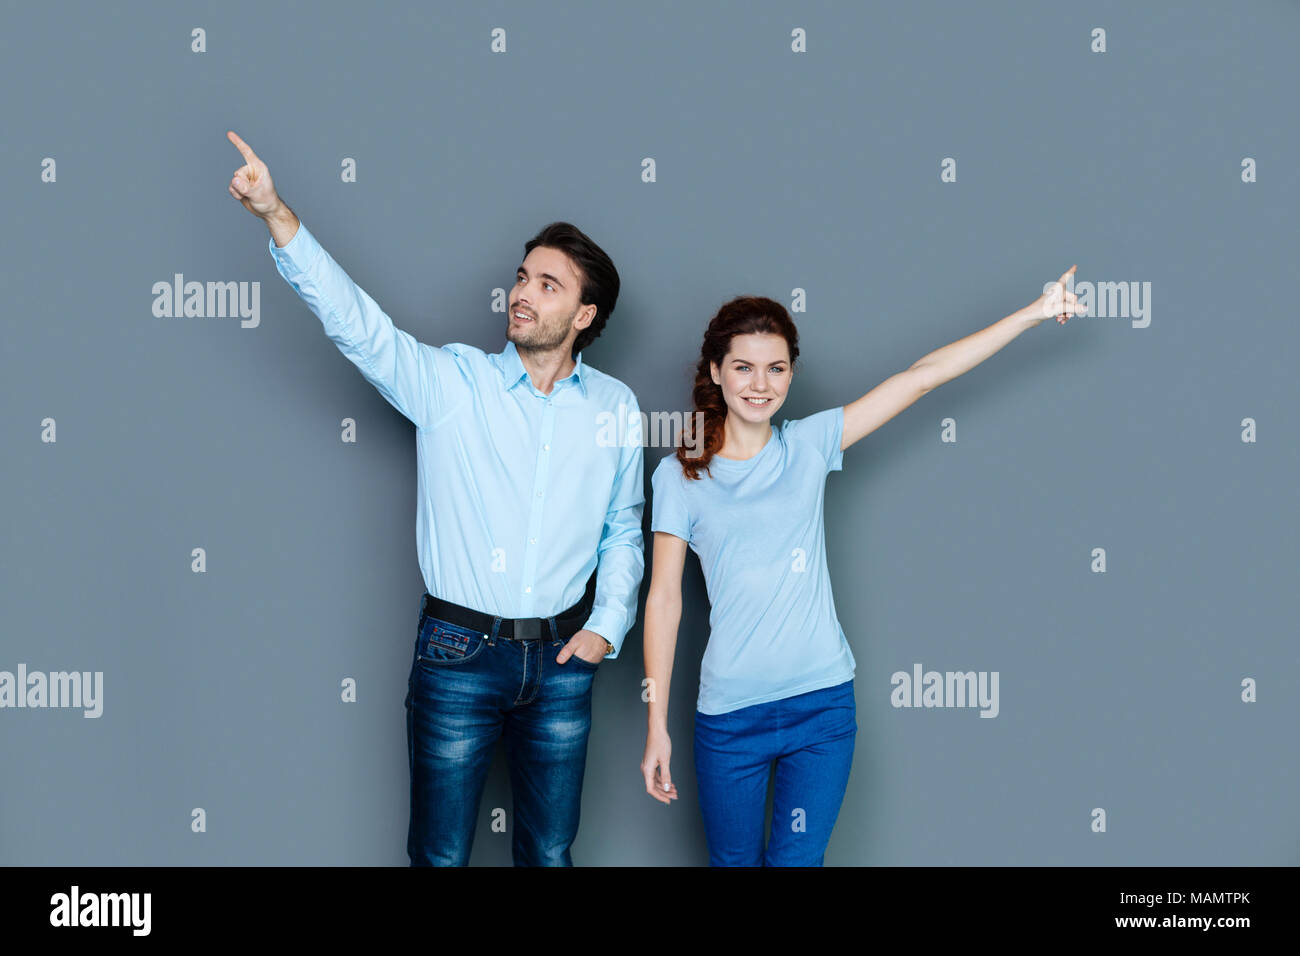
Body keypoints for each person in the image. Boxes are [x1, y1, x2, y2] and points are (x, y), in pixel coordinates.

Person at [225, 130, 645, 866]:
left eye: (548, 285)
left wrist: (606, 627)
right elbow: (360, 329)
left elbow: (624, 531)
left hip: (562, 662)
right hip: (457, 654)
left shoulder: (615, 406)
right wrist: (275, 214)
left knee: (549, 856)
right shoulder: (455, 384)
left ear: (584, 315)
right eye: (522, 277)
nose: (522, 293)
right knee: (441, 858)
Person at [641, 273, 1086, 866]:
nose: (759, 383)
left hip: (822, 708)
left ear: (791, 375)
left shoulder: (810, 445)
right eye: (743, 367)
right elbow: (664, 601)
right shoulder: (680, 477)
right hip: (730, 717)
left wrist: (1030, 314)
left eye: (776, 368)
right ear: (716, 372)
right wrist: (656, 725)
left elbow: (922, 377)